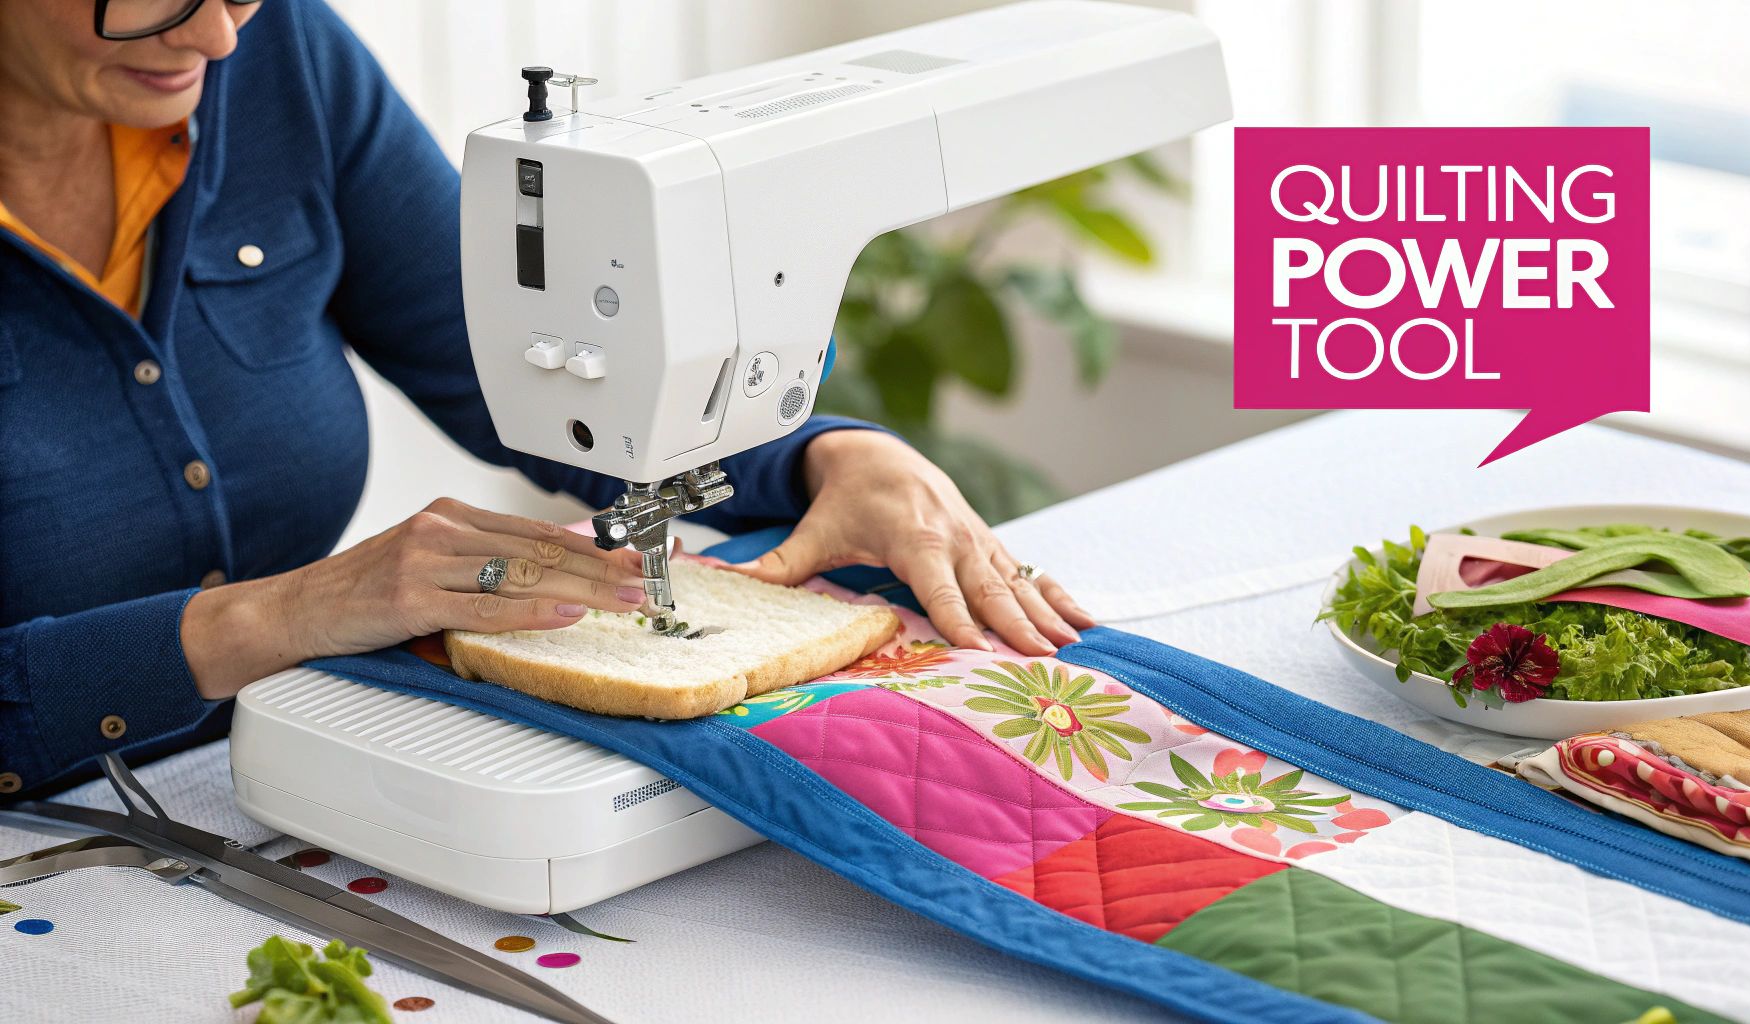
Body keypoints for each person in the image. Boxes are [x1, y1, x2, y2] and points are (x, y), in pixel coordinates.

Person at [0, 0, 1093, 799]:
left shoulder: (281, 55)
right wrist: (279, 613)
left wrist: (822, 458)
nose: (218, 38)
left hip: (279, 778)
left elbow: (512, 360)